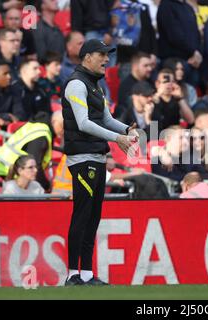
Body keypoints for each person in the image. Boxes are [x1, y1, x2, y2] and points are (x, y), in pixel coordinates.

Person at [62, 39, 138, 286]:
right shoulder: (76, 84)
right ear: (86, 57)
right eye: (102, 54)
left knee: (92, 217)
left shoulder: (95, 86)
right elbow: (83, 123)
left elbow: (106, 118)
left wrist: (128, 129)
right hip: (82, 157)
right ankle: (72, 274)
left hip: (96, 157)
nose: (107, 59)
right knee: (82, 215)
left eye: (108, 55)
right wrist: (118, 139)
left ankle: (86, 274)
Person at [0, 112, 55, 191]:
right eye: (31, 168)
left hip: (12, 171)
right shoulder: (40, 134)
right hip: (8, 170)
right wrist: (46, 187)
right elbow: (36, 163)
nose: (35, 170)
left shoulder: (35, 127)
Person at [157, 0, 202, 86]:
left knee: (190, 92)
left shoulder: (188, 7)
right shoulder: (166, 5)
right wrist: (194, 51)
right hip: (173, 60)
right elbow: (174, 36)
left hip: (192, 61)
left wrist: (198, 53)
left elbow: (196, 34)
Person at [115, 52, 153, 118]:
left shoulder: (151, 82)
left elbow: (154, 127)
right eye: (146, 65)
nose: (150, 69)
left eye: (150, 65)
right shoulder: (125, 86)